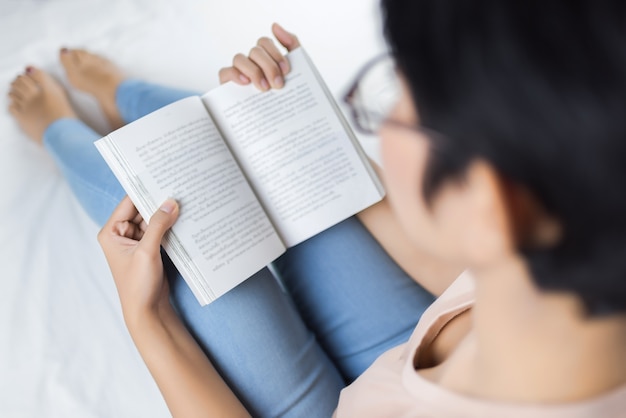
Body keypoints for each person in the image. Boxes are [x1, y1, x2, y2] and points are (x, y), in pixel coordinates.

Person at [8, 1, 626, 417]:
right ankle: (127, 95)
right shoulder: (579, 244)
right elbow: (463, 271)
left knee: (156, 211)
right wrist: (302, 133)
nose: (381, 122)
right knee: (229, 138)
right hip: (430, 328)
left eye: (393, 104)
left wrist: (149, 321)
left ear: (488, 202)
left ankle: (60, 129)